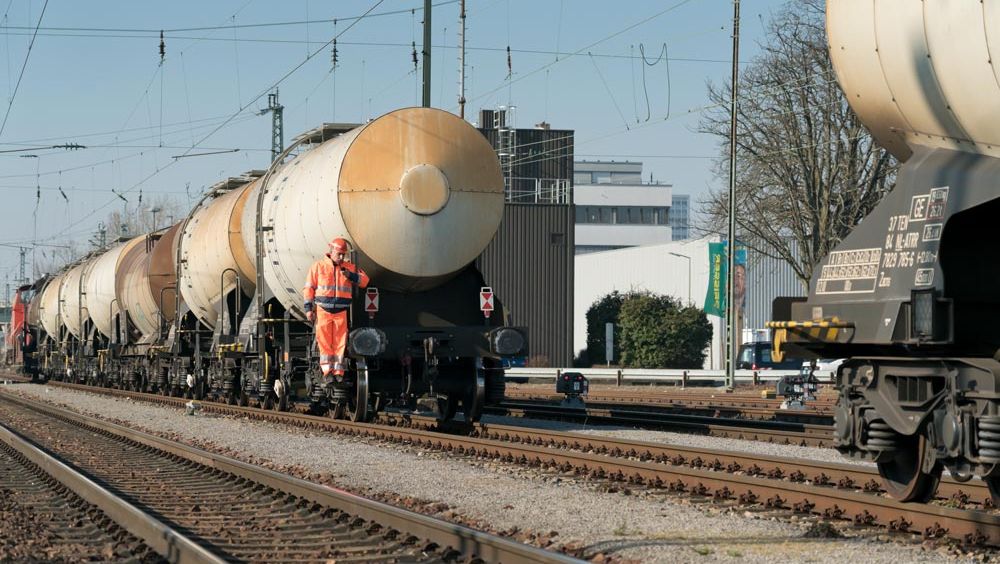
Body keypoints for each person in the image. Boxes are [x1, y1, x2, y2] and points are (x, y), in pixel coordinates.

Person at [302, 237, 370, 379]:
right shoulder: (318, 266)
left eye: (343, 254)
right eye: (339, 254)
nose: (341, 257)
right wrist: (308, 309)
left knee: (340, 342)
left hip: (341, 311)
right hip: (323, 310)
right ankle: (327, 371)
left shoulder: (349, 267)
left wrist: (350, 275)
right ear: (331, 251)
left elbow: (365, 281)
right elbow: (309, 288)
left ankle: (338, 372)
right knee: (325, 342)